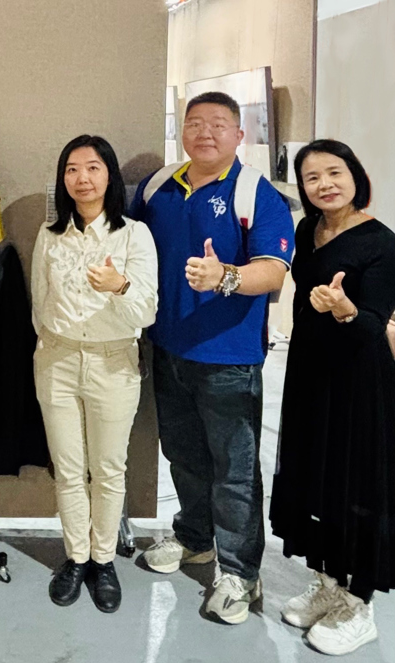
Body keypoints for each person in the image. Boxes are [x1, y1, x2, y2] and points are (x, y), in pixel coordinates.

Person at [129, 91, 294, 624]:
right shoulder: (157, 187)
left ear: (239, 135)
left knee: (234, 469)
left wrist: (226, 276)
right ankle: (195, 539)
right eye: (195, 123)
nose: (205, 132)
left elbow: (274, 270)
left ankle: (240, 573)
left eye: (219, 124)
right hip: (168, 347)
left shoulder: (255, 193)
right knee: (183, 455)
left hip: (230, 357)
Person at [271, 140, 395, 655]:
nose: (324, 184)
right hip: (310, 371)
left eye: (334, 172)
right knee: (314, 478)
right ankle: (328, 583)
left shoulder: (381, 242)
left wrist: (344, 308)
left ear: (354, 176)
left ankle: (358, 605)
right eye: (312, 177)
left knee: (354, 485)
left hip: (358, 381)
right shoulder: (309, 229)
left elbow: (373, 327)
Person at [32, 134, 158, 613]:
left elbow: (147, 312)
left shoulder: (134, 235)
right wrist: (55, 345)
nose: (82, 178)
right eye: (72, 169)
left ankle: (103, 561)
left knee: (108, 470)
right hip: (57, 361)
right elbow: (39, 305)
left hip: (113, 362)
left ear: (109, 176)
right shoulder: (50, 235)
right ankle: (76, 557)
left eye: (92, 168)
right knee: (67, 469)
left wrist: (120, 285)